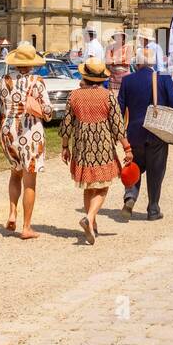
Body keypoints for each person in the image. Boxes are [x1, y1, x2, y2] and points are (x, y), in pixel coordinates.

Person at [60, 58, 131, 244]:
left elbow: (67, 125)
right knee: (102, 185)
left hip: (82, 144)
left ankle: (93, 225)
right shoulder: (108, 96)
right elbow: (117, 126)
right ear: (100, 78)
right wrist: (127, 148)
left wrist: (65, 147)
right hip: (103, 144)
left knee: (88, 186)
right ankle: (90, 218)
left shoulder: (74, 96)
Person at [0, 42, 51, 239]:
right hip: (30, 131)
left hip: (8, 132)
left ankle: (12, 212)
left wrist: (2, 134)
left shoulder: (3, 81)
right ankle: (26, 227)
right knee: (29, 181)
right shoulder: (37, 81)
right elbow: (48, 112)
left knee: (15, 174)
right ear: (32, 63)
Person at [116, 46, 173, 220]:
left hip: (134, 134)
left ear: (137, 62)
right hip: (157, 132)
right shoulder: (164, 79)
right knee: (156, 170)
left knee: (134, 166)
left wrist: (119, 134)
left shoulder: (127, 81)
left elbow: (119, 110)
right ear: (153, 62)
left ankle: (130, 197)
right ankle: (153, 209)